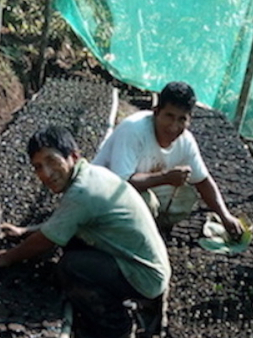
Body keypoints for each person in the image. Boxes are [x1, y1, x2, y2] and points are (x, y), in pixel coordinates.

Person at [0, 125, 171, 338]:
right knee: (73, 245)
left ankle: (115, 328)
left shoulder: (82, 192)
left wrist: (7, 257)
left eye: (52, 161)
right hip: (145, 264)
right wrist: (24, 232)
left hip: (145, 276)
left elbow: (48, 239)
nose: (46, 173)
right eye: (38, 167)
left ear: (73, 156)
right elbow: (62, 223)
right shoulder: (92, 174)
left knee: (71, 266)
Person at [92, 81, 243, 236]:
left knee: (186, 195)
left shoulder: (186, 141)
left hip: (133, 195)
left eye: (181, 119)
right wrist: (165, 177)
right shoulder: (133, 130)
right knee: (146, 202)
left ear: (189, 120)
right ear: (156, 112)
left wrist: (225, 217)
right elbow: (120, 184)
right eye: (169, 116)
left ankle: (151, 227)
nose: (173, 126)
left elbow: (203, 181)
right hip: (101, 197)